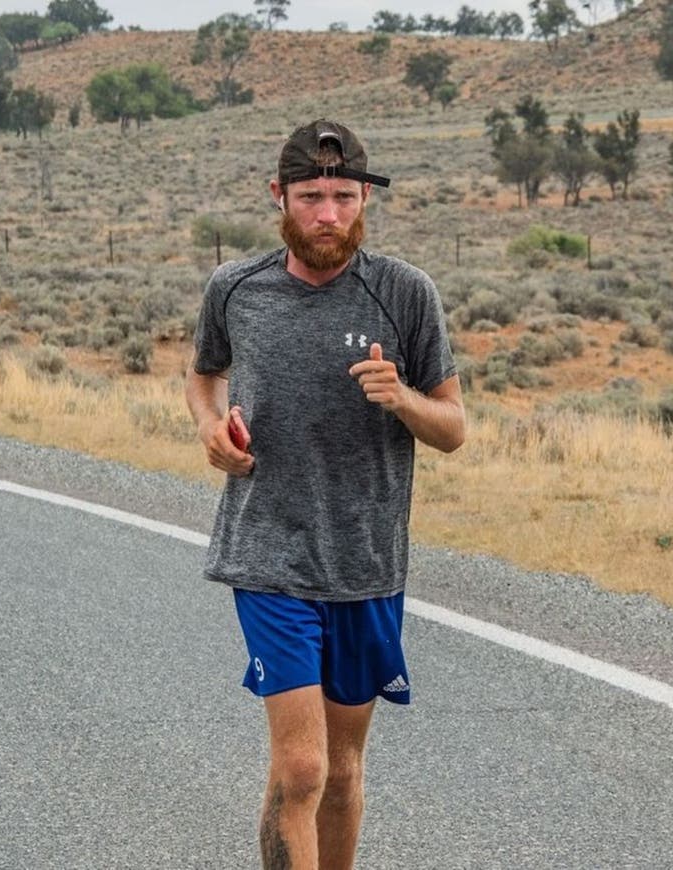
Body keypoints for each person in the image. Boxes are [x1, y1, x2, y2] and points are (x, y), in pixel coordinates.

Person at [185, 119, 466, 870]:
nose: (328, 214)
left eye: (344, 195)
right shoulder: (236, 289)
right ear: (279, 195)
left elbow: (454, 428)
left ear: (365, 198)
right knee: (303, 767)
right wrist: (211, 428)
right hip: (268, 549)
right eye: (311, 195)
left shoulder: (406, 293)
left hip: (366, 560)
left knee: (342, 773)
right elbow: (203, 374)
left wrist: (402, 398)